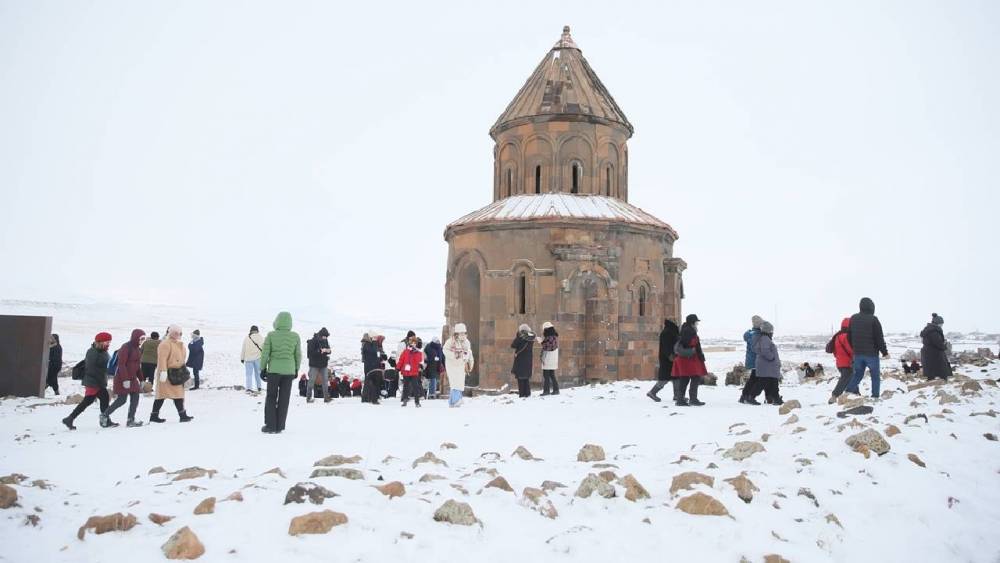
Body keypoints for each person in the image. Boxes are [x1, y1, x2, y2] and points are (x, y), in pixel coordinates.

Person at [62, 332, 114, 430]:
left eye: (109, 342)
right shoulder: (93, 352)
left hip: (97, 381)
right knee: (101, 399)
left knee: (90, 401)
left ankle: (70, 419)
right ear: (100, 342)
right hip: (94, 382)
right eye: (107, 342)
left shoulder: (102, 351)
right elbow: (91, 369)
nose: (108, 344)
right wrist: (101, 381)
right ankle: (105, 421)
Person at [260, 312, 301, 434]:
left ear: (277, 321)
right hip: (289, 371)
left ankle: (271, 426)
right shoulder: (295, 336)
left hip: (274, 371)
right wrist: (296, 369)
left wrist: (262, 369)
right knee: (284, 398)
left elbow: (265, 353)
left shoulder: (271, 335)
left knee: (271, 397)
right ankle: (280, 426)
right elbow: (298, 355)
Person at [845, 297, 890, 399]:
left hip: (858, 354)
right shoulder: (873, 319)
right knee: (875, 377)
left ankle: (847, 393)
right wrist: (885, 352)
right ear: (871, 307)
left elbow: (849, 336)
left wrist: (855, 348)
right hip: (872, 355)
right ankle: (875, 397)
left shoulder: (853, 318)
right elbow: (879, 338)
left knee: (858, 375)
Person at [103, 329, 146, 428]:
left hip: (133, 379)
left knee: (135, 398)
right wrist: (125, 379)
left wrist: (142, 379)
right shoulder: (125, 347)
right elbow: (121, 364)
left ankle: (131, 419)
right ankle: (104, 415)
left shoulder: (138, 349)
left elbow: (137, 366)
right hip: (122, 378)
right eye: (141, 338)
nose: (142, 340)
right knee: (122, 400)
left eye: (144, 338)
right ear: (136, 337)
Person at [151, 325, 194, 423]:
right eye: (176, 333)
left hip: (177, 374)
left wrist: (184, 372)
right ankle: (154, 416)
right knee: (161, 396)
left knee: (178, 395)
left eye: (179, 333)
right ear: (171, 333)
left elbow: (182, 359)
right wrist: (163, 372)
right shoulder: (165, 344)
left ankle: (182, 415)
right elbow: (162, 359)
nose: (178, 335)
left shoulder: (180, 344)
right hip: (167, 374)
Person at [671, 314, 707, 406]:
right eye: (696, 322)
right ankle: (692, 399)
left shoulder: (685, 329)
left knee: (685, 378)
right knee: (695, 377)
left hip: (685, 358)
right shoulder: (689, 330)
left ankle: (680, 400)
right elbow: (689, 343)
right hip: (689, 358)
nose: (697, 323)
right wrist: (698, 352)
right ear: (692, 322)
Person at [748, 321, 783, 405]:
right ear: (768, 331)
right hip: (767, 366)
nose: (772, 332)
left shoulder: (764, 338)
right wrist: (772, 357)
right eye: (771, 331)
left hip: (767, 367)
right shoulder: (765, 339)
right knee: (763, 383)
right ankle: (751, 397)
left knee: (773, 383)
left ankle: (776, 399)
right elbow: (765, 351)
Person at [443, 323, 474, 408]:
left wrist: (470, 363)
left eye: (464, 333)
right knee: (454, 383)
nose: (463, 335)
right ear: (456, 333)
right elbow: (445, 350)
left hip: (461, 366)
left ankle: (452, 402)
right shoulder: (450, 341)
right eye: (461, 333)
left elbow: (469, 353)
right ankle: (456, 401)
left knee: (459, 384)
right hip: (452, 365)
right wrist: (454, 355)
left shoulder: (467, 342)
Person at [648, 319, 679, 402]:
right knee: (664, 379)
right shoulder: (667, 332)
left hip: (672, 358)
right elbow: (666, 346)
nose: (676, 322)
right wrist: (670, 356)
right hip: (667, 359)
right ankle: (652, 392)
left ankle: (677, 395)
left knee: (676, 377)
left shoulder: (672, 331)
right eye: (674, 321)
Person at [826, 318, 854, 403]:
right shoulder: (846, 336)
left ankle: (853, 393)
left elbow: (834, 350)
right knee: (846, 378)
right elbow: (851, 349)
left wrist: (839, 357)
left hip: (839, 363)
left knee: (850, 377)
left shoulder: (837, 336)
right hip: (847, 363)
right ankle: (835, 396)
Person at [738, 315, 764, 404]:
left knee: (753, 378)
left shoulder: (750, 333)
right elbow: (755, 348)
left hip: (751, 359)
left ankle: (744, 396)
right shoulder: (756, 334)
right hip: (756, 360)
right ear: (758, 324)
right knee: (758, 379)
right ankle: (750, 397)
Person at [921, 313, 953, 381]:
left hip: (929, 352)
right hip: (934, 353)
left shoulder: (929, 330)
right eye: (941, 324)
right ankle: (943, 380)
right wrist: (945, 346)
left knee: (931, 368)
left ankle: (931, 379)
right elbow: (938, 343)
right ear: (938, 323)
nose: (942, 325)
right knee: (941, 367)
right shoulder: (934, 331)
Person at [306, 327, 332, 403]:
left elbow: (329, 350)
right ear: (321, 335)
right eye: (325, 336)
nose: (326, 338)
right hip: (314, 364)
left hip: (323, 364)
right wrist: (320, 351)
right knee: (311, 381)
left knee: (325, 381)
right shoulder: (313, 341)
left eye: (326, 336)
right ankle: (308, 397)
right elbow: (311, 352)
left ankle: (326, 398)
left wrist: (328, 351)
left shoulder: (325, 340)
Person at [361, 332, 386, 404]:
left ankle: (369, 398)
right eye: (374, 337)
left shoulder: (370, 344)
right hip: (370, 367)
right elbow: (374, 351)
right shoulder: (367, 344)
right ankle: (370, 398)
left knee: (372, 382)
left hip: (373, 366)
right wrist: (375, 342)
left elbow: (377, 354)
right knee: (371, 383)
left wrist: (381, 357)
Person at [511, 324, 535, 398]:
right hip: (528, 359)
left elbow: (513, 345)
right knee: (526, 378)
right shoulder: (531, 338)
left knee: (520, 378)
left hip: (521, 360)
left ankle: (522, 394)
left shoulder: (520, 338)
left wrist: (518, 335)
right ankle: (527, 393)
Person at [399, 338, 424, 407]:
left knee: (415, 387)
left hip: (414, 372)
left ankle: (417, 402)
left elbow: (419, 361)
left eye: (415, 343)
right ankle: (404, 401)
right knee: (406, 387)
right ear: (410, 343)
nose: (413, 344)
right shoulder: (405, 351)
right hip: (406, 372)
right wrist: (398, 368)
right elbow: (401, 360)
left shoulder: (419, 352)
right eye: (412, 343)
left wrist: (415, 352)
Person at [241, 326, 264, 393]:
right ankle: (259, 387)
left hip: (248, 359)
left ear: (251, 330)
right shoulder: (260, 337)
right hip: (258, 358)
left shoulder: (247, 338)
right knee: (258, 373)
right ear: (257, 330)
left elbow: (243, 349)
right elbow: (264, 348)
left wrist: (242, 358)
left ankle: (248, 388)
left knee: (249, 374)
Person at [538, 322, 560, 396]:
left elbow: (548, 347)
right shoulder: (553, 336)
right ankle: (555, 390)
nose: (543, 331)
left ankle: (547, 391)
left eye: (544, 329)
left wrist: (541, 342)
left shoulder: (550, 337)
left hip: (549, 359)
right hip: (551, 359)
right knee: (551, 374)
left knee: (547, 375)